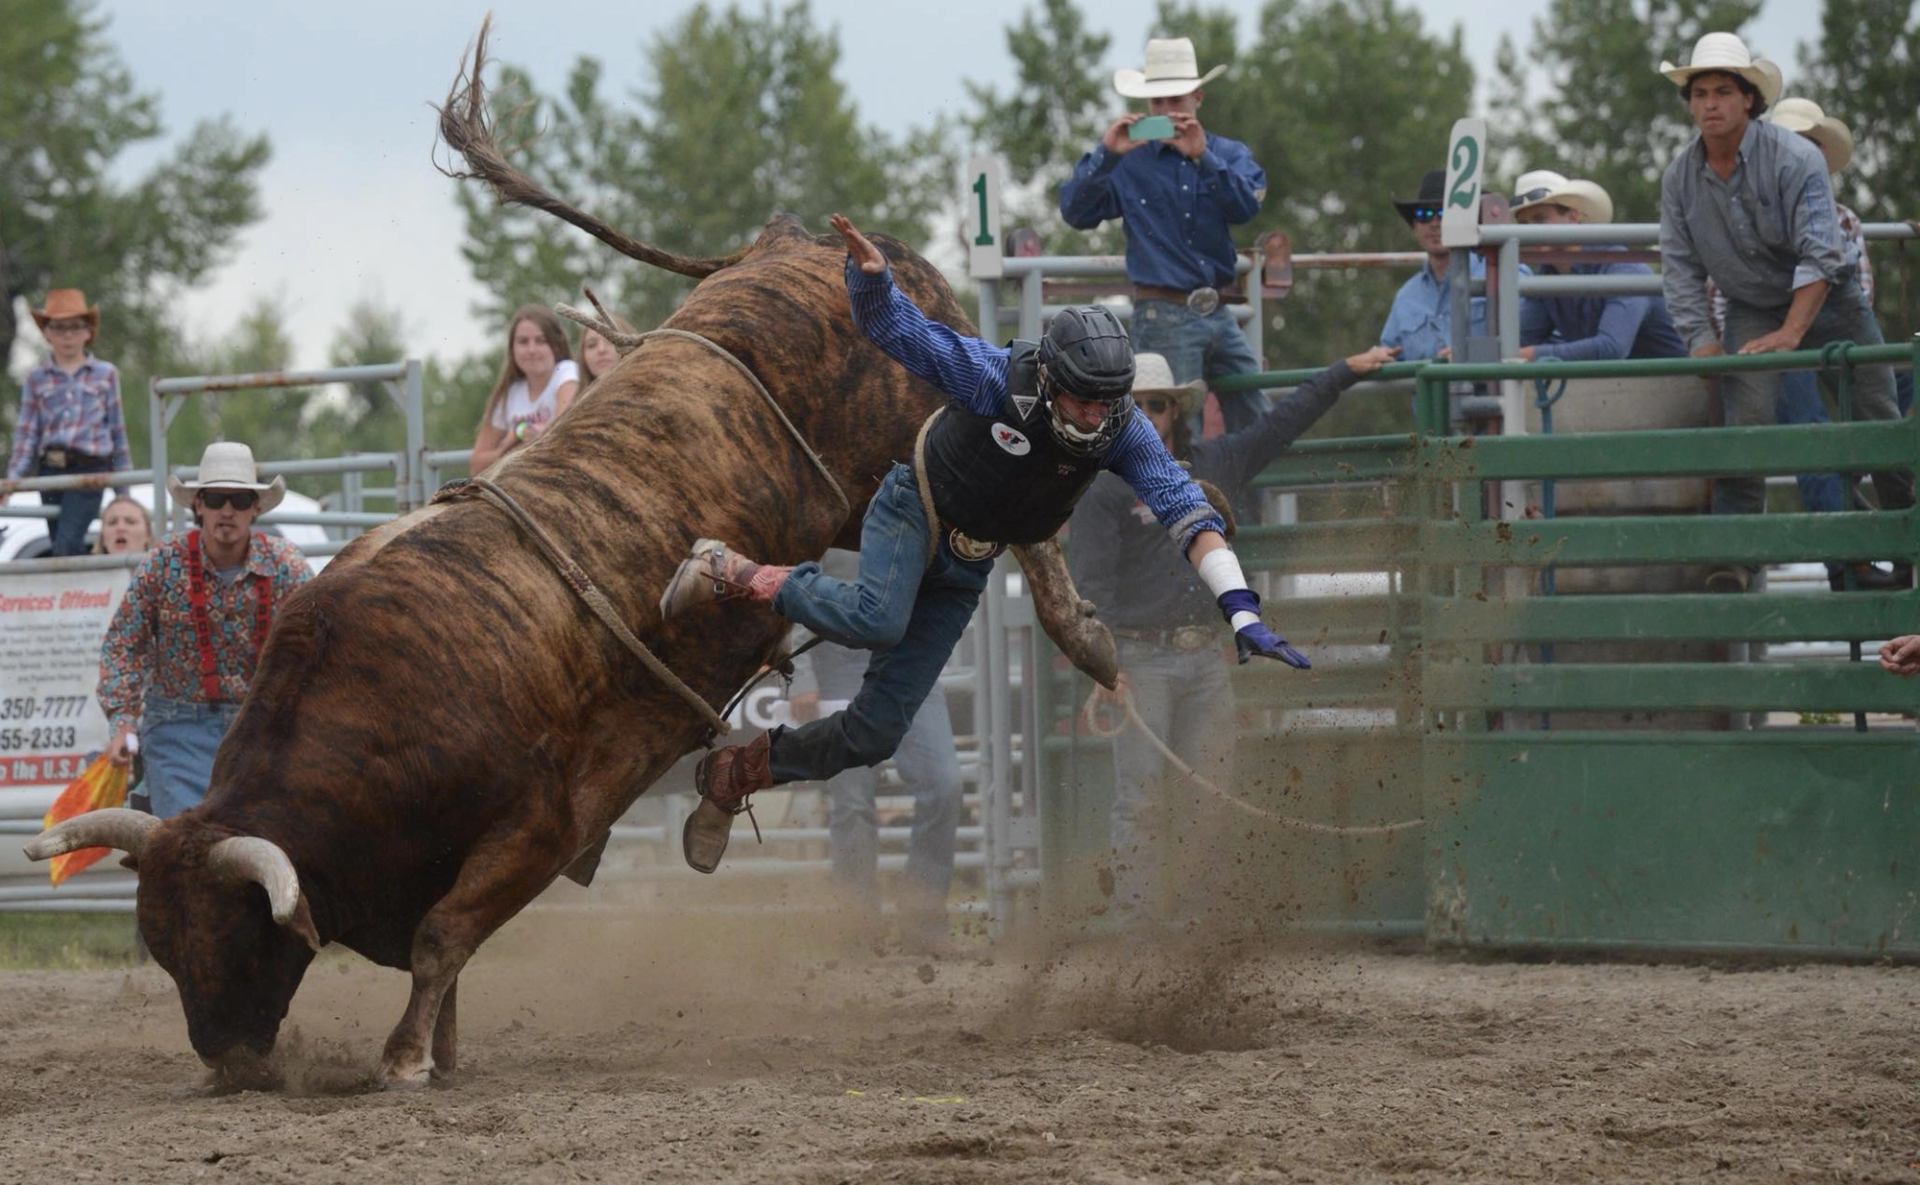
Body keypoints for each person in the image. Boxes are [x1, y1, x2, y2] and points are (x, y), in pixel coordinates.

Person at [659, 212, 1310, 875]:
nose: (1096, 413)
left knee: (876, 731)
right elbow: (902, 334)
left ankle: (738, 772)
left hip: (968, 560)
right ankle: (729, 567)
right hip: (916, 505)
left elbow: (1188, 514)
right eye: (1084, 399)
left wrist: (1241, 607)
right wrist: (874, 281)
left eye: (1109, 399)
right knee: (875, 616)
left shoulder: (1124, 429)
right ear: (1053, 380)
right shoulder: (997, 375)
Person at [1070, 345, 1396, 919]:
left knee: (1207, 801)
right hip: (1142, 659)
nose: (1147, 414)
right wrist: (1107, 666)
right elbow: (1092, 585)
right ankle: (1136, 933)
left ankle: (1200, 924)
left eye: (1156, 404)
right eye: (1135, 405)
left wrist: (1340, 372)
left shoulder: (1215, 463)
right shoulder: (1106, 487)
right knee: (1141, 800)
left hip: (1203, 658)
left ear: (1175, 410)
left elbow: (1280, 424)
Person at [1657, 33, 1912, 592]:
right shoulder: (1679, 177)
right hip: (1752, 304)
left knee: (1879, 418)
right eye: (1700, 93)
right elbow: (1677, 265)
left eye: (1723, 90)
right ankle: (1736, 557)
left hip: (1832, 299)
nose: (1711, 104)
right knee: (1746, 426)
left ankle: (1904, 548)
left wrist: (1792, 331)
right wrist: (1700, 338)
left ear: (1749, 98)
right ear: (1691, 102)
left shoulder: (1795, 157)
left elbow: (1823, 251)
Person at [1059, 37, 1271, 434]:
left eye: (1175, 99)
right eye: (1158, 102)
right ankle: (1180, 496)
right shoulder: (1128, 160)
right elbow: (1075, 211)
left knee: (1253, 415)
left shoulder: (1224, 154)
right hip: (1164, 311)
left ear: (1197, 98)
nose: (1167, 111)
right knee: (1175, 430)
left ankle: (1247, 497)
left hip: (1216, 310)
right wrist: (1107, 152)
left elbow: (1247, 206)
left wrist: (1203, 158)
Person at [97, 442, 313, 819]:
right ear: (198, 505)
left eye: (239, 500)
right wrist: (123, 722)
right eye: (215, 498)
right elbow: (122, 645)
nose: (226, 511)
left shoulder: (286, 566)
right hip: (177, 730)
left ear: (255, 508)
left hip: (262, 728)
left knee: (269, 833)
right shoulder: (163, 564)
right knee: (188, 839)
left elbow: (317, 644)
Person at [787, 550, 964, 952]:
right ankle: (858, 927)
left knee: (945, 785)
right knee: (852, 802)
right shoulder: (834, 506)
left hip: (910, 663)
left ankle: (923, 922)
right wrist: (801, 675)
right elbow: (801, 580)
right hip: (839, 666)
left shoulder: (922, 507)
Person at [3, 290, 132, 556]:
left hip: (90, 469)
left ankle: (84, 592)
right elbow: (27, 435)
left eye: (75, 327)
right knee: (58, 542)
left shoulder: (105, 374)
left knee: (67, 543)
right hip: (51, 470)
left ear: (88, 332)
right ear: (47, 333)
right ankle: (77, 593)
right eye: (59, 328)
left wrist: (124, 492)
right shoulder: (36, 378)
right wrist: (12, 480)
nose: (68, 335)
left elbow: (118, 434)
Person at [1510, 170, 1686, 362]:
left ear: (1573, 216)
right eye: (1523, 223)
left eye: (1539, 219)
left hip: (1673, 385)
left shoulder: (1623, 268)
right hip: (1619, 385)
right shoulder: (1546, 277)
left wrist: (1530, 355)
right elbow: (1522, 341)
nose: (1528, 231)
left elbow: (1612, 348)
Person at [1379, 170, 1494, 363]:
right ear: (1415, 227)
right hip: (1428, 394)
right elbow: (1388, 357)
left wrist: (1472, 355)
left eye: (1444, 212)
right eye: (1424, 215)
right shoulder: (1406, 297)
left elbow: (1528, 344)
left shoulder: (1499, 273)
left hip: (1488, 392)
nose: (1435, 223)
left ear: (1466, 221)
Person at [470, 305, 580, 471]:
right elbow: (476, 465)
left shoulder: (566, 372)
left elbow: (561, 436)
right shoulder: (510, 393)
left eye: (541, 341)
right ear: (512, 349)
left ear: (556, 346)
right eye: (523, 341)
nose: (531, 349)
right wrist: (506, 448)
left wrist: (521, 437)